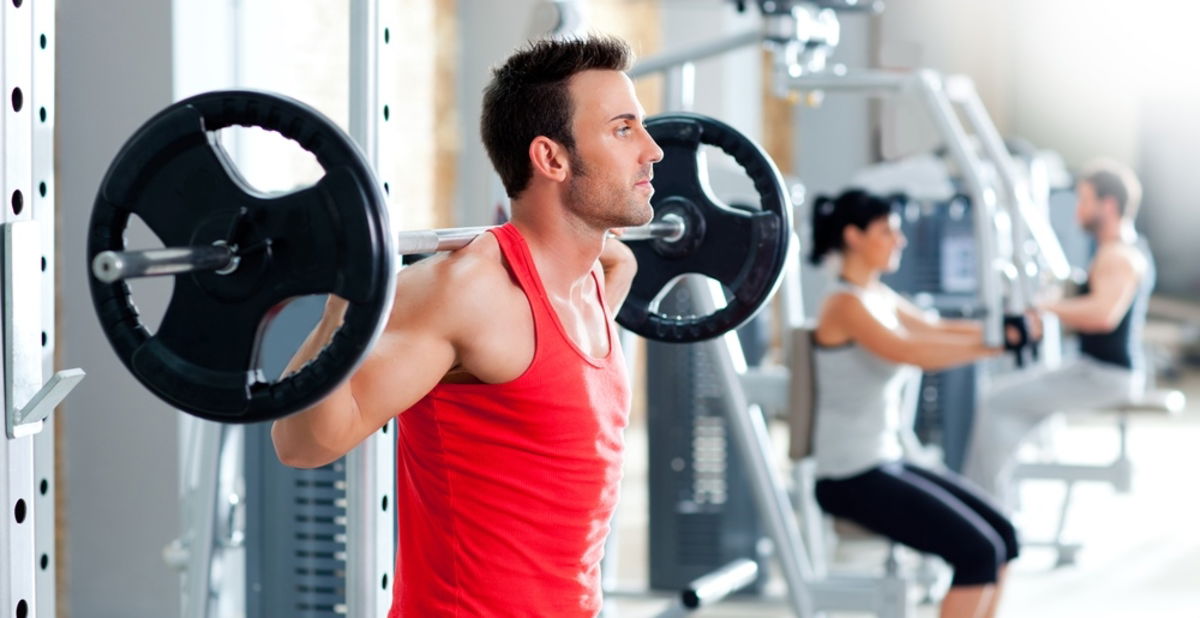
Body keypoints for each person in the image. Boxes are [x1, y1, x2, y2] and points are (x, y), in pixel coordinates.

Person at [270, 35, 663, 617]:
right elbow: (301, 444)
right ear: (551, 159)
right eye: (624, 129)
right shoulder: (467, 292)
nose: (652, 150)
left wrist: (604, 261)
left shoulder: (597, 281)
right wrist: (345, 304)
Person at [808, 189, 1020, 618]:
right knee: (977, 553)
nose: (899, 240)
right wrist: (996, 347)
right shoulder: (844, 304)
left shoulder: (878, 296)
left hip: (885, 461)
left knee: (1004, 537)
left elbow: (935, 328)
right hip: (849, 477)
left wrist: (1001, 330)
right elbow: (914, 351)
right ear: (853, 236)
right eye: (887, 231)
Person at [963, 159, 1154, 509]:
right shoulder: (1114, 252)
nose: (1077, 210)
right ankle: (998, 501)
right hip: (1094, 369)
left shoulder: (1119, 256)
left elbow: (1102, 315)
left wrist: (1047, 307)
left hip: (1105, 376)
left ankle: (987, 512)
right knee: (1006, 406)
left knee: (995, 401)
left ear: (1108, 205)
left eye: (1084, 201)